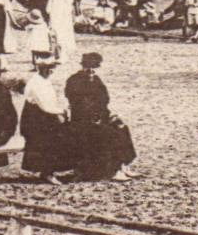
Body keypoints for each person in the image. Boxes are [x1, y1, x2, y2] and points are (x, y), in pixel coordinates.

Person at [66, 51, 138, 183]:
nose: (91, 70)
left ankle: (123, 165)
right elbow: (77, 103)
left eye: (94, 67)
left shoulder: (97, 80)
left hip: (99, 116)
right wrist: (94, 117)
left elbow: (104, 100)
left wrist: (108, 115)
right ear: (83, 66)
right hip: (82, 119)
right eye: (89, 67)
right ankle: (113, 170)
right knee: (109, 133)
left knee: (121, 128)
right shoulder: (74, 81)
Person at [20, 51, 76, 184]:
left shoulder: (45, 81)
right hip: (35, 119)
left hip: (44, 115)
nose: (50, 71)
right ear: (40, 69)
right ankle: (47, 172)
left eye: (52, 68)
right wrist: (61, 112)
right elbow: (45, 106)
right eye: (47, 69)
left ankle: (65, 167)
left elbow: (51, 102)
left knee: (67, 130)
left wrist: (60, 112)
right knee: (52, 136)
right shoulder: (36, 83)